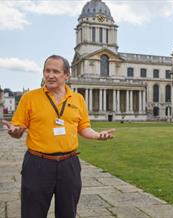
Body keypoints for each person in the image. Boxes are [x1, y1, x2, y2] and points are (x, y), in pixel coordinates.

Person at [1, 55, 115, 218]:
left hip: (69, 165)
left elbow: (83, 127)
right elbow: (19, 127)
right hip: (37, 164)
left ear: (66, 75)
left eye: (55, 71)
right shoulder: (29, 98)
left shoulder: (78, 99)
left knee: (68, 213)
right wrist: (15, 131)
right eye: (47, 71)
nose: (50, 75)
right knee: (32, 213)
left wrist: (98, 135)